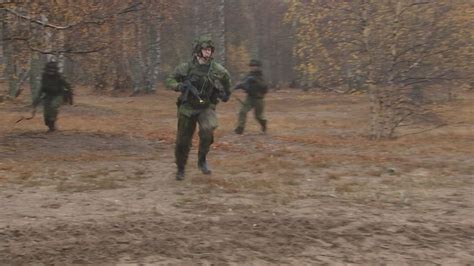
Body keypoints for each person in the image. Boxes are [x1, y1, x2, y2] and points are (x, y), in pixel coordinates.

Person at [165, 35, 231, 181]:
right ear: (198, 51)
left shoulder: (216, 69)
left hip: (206, 107)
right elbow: (169, 79)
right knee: (183, 141)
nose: (208, 52)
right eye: (205, 49)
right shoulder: (186, 67)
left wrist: (226, 93)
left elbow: (226, 78)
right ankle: (181, 167)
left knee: (208, 130)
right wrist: (179, 86)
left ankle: (202, 160)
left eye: (210, 50)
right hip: (187, 108)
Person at [33, 61, 73, 132]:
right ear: (46, 69)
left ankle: (52, 122)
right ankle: (51, 126)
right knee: (46, 114)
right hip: (48, 95)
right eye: (49, 70)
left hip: (59, 95)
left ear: (56, 70)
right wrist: (37, 98)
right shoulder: (44, 76)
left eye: (52, 70)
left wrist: (70, 99)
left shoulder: (60, 77)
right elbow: (42, 88)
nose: (51, 72)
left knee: (53, 106)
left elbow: (68, 86)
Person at [233, 59, 268, 135]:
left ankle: (263, 124)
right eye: (251, 66)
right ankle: (240, 128)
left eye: (254, 66)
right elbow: (242, 83)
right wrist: (236, 86)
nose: (253, 67)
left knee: (258, 116)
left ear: (258, 67)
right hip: (249, 98)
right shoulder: (248, 75)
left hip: (259, 99)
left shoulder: (261, 76)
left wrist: (256, 81)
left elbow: (265, 87)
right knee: (242, 111)